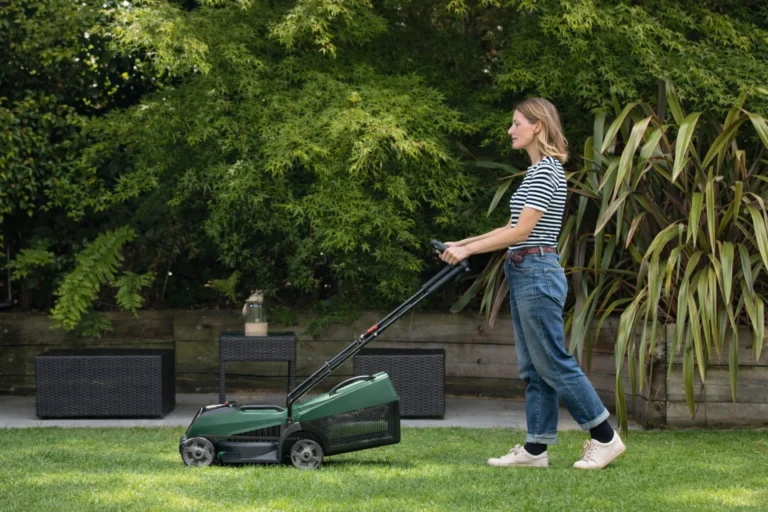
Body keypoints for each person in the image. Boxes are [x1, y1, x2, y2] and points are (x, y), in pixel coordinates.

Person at [438, 98, 625, 470]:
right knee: (534, 367)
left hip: (536, 270)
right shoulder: (537, 172)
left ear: (537, 126)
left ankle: (606, 437)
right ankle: (536, 449)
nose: (511, 130)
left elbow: (521, 232)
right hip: (526, 269)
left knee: (553, 361)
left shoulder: (546, 172)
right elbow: (511, 228)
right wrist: (464, 245)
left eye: (516, 123)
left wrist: (468, 251)